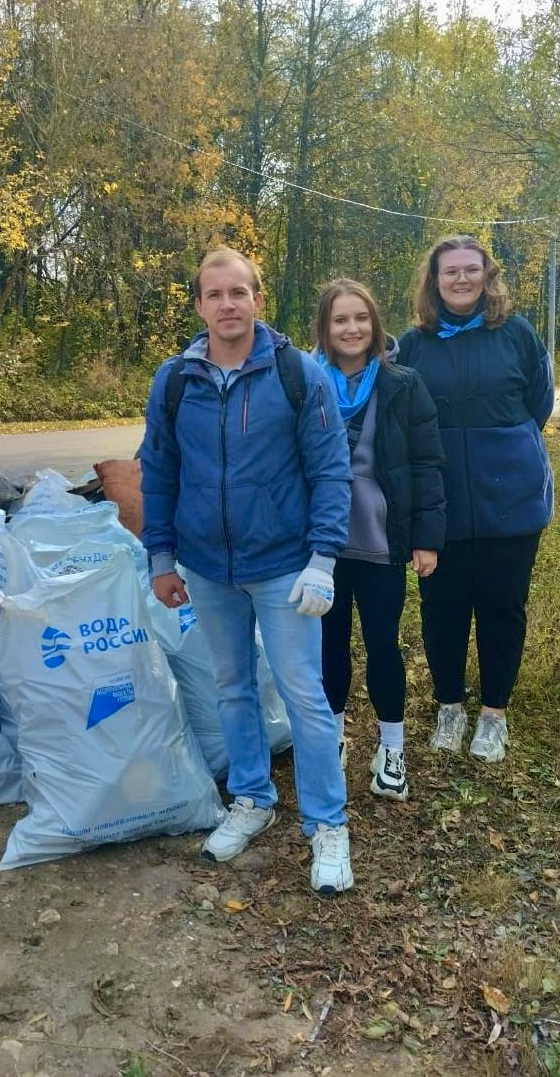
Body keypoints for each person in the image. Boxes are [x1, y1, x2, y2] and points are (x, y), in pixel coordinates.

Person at [140, 246, 355, 894]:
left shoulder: (297, 374)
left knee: (303, 695)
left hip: (283, 566)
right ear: (199, 304)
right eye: (215, 294)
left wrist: (322, 558)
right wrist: (160, 555)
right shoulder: (175, 380)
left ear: (258, 298)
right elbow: (158, 470)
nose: (227, 304)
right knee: (231, 686)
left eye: (239, 292)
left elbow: (329, 470)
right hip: (207, 569)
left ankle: (327, 826)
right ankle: (252, 799)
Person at [397, 234, 554, 762]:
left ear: (488, 277)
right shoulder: (414, 344)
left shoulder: (518, 335)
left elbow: (540, 403)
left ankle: (493, 715)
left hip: (510, 501)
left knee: (501, 608)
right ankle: (449, 707)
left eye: (471, 270)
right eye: (450, 272)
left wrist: (504, 450)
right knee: (441, 607)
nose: (461, 279)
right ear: (434, 281)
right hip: (439, 502)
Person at [313, 279, 445, 802]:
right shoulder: (305, 382)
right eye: (340, 320)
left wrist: (427, 538)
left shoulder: (403, 383)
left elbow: (427, 463)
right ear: (325, 329)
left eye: (360, 318)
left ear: (375, 325)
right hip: (320, 544)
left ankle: (392, 749)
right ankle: (332, 739)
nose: (352, 329)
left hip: (381, 539)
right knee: (328, 645)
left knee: (383, 645)